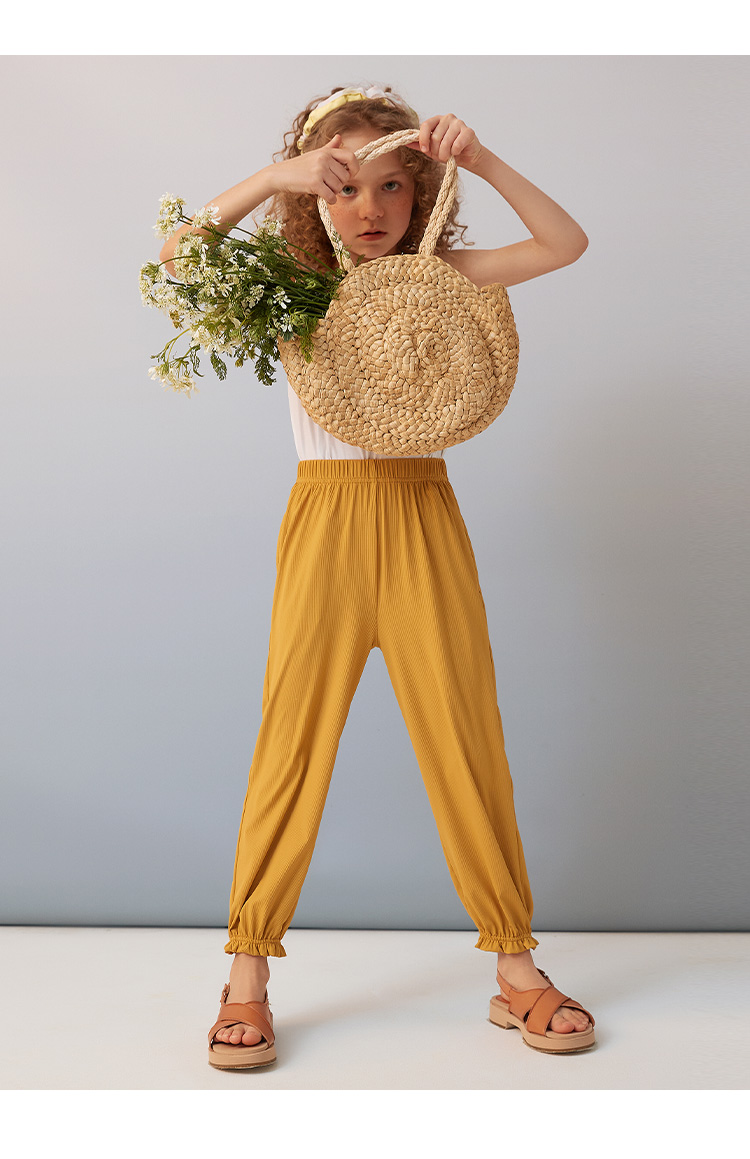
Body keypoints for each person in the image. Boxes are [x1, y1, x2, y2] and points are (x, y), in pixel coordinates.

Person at [159, 83, 596, 1066]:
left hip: (424, 518)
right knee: (291, 741)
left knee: (465, 736)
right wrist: (272, 175)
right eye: (345, 185)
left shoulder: (441, 279)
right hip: (325, 523)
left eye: (392, 184)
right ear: (315, 194)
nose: (370, 207)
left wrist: (481, 159)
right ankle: (246, 973)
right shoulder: (291, 285)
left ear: (419, 191)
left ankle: (515, 966)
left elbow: (564, 244)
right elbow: (180, 255)